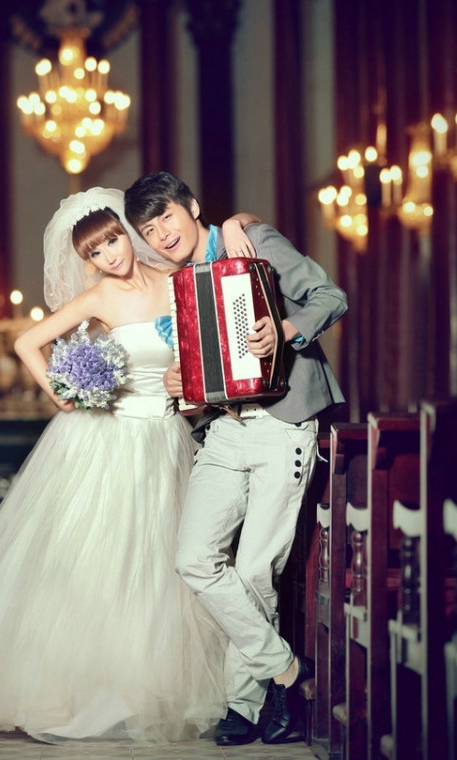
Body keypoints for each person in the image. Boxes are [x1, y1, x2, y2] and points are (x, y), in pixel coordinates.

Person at [0, 187, 257, 744]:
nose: (109, 256)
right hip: (105, 438)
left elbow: (208, 329)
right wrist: (62, 393)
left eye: (113, 241)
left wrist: (237, 221)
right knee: (97, 560)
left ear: (128, 233)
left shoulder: (176, 278)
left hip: (165, 435)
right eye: (95, 252)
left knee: (163, 566)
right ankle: (81, 690)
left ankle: (146, 688)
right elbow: (27, 343)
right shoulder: (98, 298)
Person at [124, 171, 348, 746]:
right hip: (223, 429)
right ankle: (288, 669)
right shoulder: (177, 287)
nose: (162, 234)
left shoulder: (251, 240)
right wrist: (180, 383)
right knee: (194, 558)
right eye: (149, 230)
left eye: (166, 217)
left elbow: (330, 296)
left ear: (191, 207)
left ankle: (243, 705)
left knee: (252, 571)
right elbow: (201, 370)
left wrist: (285, 330)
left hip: (283, 422)